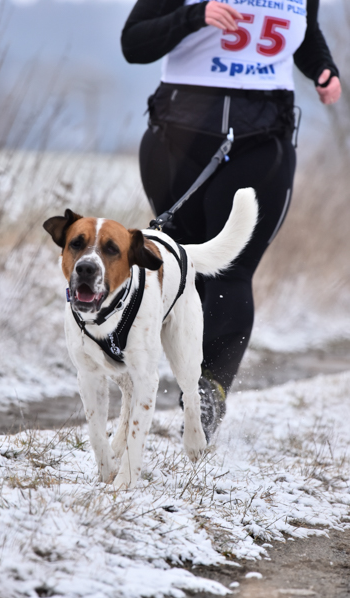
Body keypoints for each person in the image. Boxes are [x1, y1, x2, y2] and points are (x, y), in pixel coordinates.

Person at [121, 0, 341, 440]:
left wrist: (323, 68)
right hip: (177, 136)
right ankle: (142, 371)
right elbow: (134, 44)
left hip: (262, 139)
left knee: (231, 268)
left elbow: (306, 31)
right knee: (182, 266)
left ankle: (207, 393)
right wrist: (195, 15)